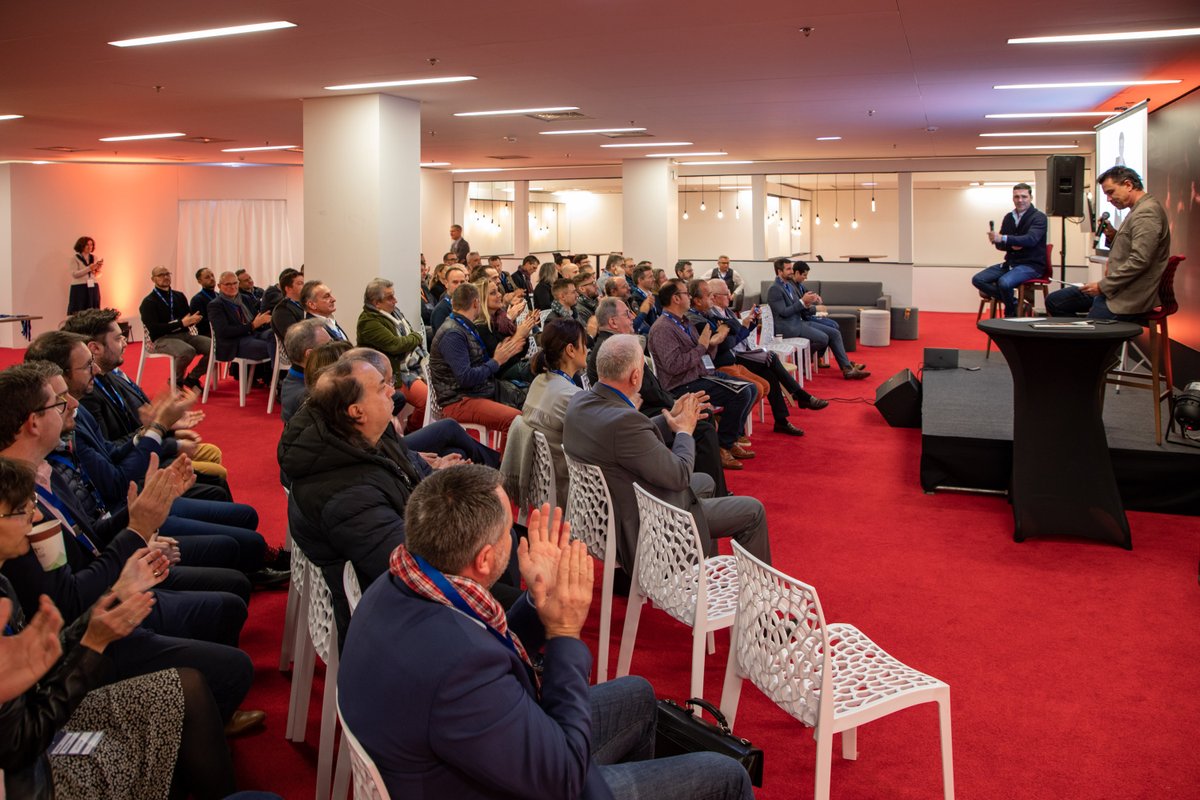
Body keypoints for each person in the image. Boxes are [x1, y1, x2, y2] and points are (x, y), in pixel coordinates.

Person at [339, 467, 754, 800]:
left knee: (640, 695)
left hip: (465, 754)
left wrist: (540, 601)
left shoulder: (402, 579)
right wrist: (564, 633)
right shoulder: (459, 669)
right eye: (509, 534)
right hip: (510, 781)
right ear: (485, 560)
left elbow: (483, 640)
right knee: (727, 775)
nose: (517, 539)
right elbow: (565, 779)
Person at [565, 333, 772, 575]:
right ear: (635, 376)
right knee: (753, 510)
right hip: (648, 527)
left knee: (706, 481)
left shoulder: (580, 402)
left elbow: (628, 438)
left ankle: (703, 575)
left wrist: (670, 418)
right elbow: (680, 475)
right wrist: (684, 432)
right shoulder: (625, 422)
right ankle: (757, 602)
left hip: (607, 515)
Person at [589, 297, 730, 487]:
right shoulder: (618, 349)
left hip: (637, 409)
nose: (633, 317)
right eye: (626, 314)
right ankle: (711, 492)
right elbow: (648, 391)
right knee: (703, 425)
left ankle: (706, 486)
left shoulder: (610, 344)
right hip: (638, 412)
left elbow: (650, 389)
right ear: (613, 322)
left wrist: (677, 404)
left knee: (701, 413)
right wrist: (676, 405)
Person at [648, 279, 756, 467]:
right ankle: (723, 446)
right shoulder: (662, 328)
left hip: (700, 375)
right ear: (675, 298)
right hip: (681, 385)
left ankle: (730, 441)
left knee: (751, 389)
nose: (690, 297)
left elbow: (704, 352)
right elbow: (674, 366)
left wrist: (711, 344)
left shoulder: (685, 322)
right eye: (686, 294)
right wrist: (702, 346)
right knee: (742, 393)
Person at [699, 279, 827, 436]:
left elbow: (737, 335)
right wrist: (740, 329)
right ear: (715, 296)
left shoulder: (728, 312)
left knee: (770, 375)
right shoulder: (714, 314)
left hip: (741, 352)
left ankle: (782, 420)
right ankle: (799, 396)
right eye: (726, 294)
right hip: (734, 357)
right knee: (770, 358)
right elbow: (729, 343)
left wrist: (751, 322)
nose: (730, 297)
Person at [1046, 166, 1171, 321]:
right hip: (1117, 289)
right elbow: (1131, 245)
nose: (1109, 199)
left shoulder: (1146, 213)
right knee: (1055, 301)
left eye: (1111, 192)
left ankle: (1093, 340)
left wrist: (1102, 286)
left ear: (1128, 185)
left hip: (1128, 296)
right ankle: (1084, 335)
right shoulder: (1138, 210)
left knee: (1090, 330)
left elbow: (1140, 260)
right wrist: (1112, 234)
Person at [502, 318, 585, 505]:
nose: (587, 350)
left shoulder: (539, 381)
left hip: (542, 480)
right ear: (571, 350)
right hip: (570, 487)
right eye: (584, 345)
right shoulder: (572, 396)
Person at [429, 284, 525, 437]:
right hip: (458, 400)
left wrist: (501, 357)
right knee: (516, 420)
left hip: (473, 392)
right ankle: (506, 462)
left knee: (525, 401)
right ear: (475, 303)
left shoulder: (464, 327)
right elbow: (466, 378)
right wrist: (496, 361)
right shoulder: (453, 333)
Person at [767, 259, 869, 380]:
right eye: (788, 269)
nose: (791, 271)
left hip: (799, 322)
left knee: (834, 333)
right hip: (788, 327)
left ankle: (847, 369)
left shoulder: (788, 285)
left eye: (791, 268)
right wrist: (802, 302)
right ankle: (803, 360)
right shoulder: (775, 289)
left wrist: (807, 303)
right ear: (779, 271)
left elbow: (799, 306)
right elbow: (783, 312)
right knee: (823, 338)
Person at [356, 277, 429, 431]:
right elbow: (396, 345)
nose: (395, 301)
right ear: (376, 303)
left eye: (393, 295)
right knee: (426, 399)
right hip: (393, 374)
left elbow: (406, 339)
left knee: (433, 392)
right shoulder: (368, 322)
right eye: (390, 297)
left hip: (408, 366)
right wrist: (417, 337)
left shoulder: (394, 313)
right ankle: (412, 433)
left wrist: (413, 338)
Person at [970, 182, 1048, 318]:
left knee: (1004, 283)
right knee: (978, 279)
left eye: (1024, 197)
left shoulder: (1039, 217)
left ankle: (1010, 314)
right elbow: (1000, 245)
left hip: (1031, 265)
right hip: (1011, 263)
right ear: (1013, 198)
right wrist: (1004, 242)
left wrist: (1006, 239)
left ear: (1031, 198)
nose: (1020, 200)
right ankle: (1016, 303)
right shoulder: (1009, 217)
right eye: (1016, 197)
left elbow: (1031, 240)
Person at [137, 266, 210, 390]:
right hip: (162, 339)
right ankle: (176, 381)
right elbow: (154, 329)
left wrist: (193, 319)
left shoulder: (179, 296)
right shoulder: (148, 302)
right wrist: (181, 323)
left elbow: (187, 318)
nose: (165, 277)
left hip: (185, 335)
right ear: (153, 279)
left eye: (167, 274)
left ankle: (192, 378)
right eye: (161, 275)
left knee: (214, 347)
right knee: (187, 351)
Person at [473, 278, 537, 381]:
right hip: (501, 377)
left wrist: (525, 332)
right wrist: (518, 336)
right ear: (482, 298)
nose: (499, 295)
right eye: (493, 293)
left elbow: (521, 353)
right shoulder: (480, 327)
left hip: (515, 367)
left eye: (498, 291)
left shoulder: (502, 320)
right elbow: (501, 363)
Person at [208, 271, 275, 365]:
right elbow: (224, 331)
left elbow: (256, 319)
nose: (232, 287)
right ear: (219, 286)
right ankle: (275, 377)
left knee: (277, 338)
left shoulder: (245, 298)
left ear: (238, 284)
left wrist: (264, 320)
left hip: (253, 333)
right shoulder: (216, 305)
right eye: (228, 284)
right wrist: (252, 325)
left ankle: (274, 376)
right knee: (269, 347)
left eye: (235, 283)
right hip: (234, 342)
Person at [279, 319, 331, 425]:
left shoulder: (296, 377)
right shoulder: (307, 396)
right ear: (310, 354)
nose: (333, 348)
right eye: (328, 345)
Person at [68, 236, 103, 314]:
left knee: (94, 310)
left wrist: (97, 270)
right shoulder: (74, 258)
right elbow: (74, 274)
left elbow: (97, 274)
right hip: (80, 287)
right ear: (81, 245)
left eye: (91, 245)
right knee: (80, 311)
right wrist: (89, 268)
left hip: (93, 286)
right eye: (87, 245)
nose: (90, 247)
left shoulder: (94, 257)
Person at [270, 267, 306, 341]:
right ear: (288, 288)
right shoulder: (282, 310)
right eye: (300, 283)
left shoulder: (305, 304)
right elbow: (294, 338)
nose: (304, 286)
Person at [429, 265, 468, 334]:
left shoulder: (467, 304)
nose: (459, 285)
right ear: (446, 284)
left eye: (462, 282)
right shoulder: (441, 310)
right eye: (455, 282)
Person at [188, 268, 218, 337]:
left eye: (212, 275)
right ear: (199, 281)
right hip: (208, 335)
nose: (212, 278)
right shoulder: (197, 300)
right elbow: (201, 324)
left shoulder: (219, 295)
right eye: (207, 277)